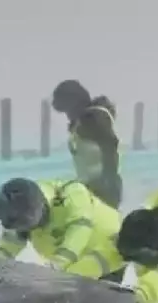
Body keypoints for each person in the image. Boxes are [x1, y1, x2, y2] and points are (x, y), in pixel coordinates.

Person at [0, 178, 126, 283]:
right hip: (70, 263)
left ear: (40, 207)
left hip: (107, 249)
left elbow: (79, 230)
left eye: (26, 224)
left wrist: (58, 263)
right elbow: (11, 241)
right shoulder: (23, 210)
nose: (25, 230)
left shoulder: (72, 194)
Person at [51, 80, 123, 209]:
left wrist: (108, 179)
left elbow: (111, 144)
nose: (67, 116)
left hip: (103, 186)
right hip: (93, 185)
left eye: (67, 110)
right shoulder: (85, 120)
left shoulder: (92, 119)